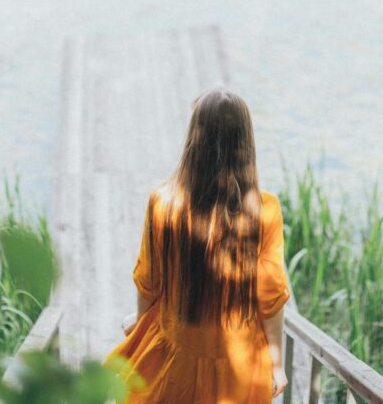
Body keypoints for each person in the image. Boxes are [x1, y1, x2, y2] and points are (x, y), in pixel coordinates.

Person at [103, 88, 291, 403]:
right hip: (238, 368)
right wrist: (277, 365)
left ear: (194, 141)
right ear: (245, 143)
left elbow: (149, 280)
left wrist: (140, 320)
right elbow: (270, 298)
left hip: (176, 357)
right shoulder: (264, 209)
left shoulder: (164, 203)